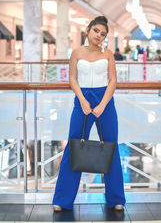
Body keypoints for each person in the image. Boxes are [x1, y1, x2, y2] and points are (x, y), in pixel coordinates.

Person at [52, 16, 126, 212]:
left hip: (105, 103)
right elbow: (72, 79)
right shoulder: (76, 53)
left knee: (110, 147)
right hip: (82, 101)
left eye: (103, 34)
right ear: (88, 30)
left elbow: (113, 81)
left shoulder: (108, 54)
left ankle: (116, 198)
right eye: (96, 31)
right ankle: (62, 200)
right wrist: (83, 101)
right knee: (73, 146)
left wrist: (102, 105)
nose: (99, 36)